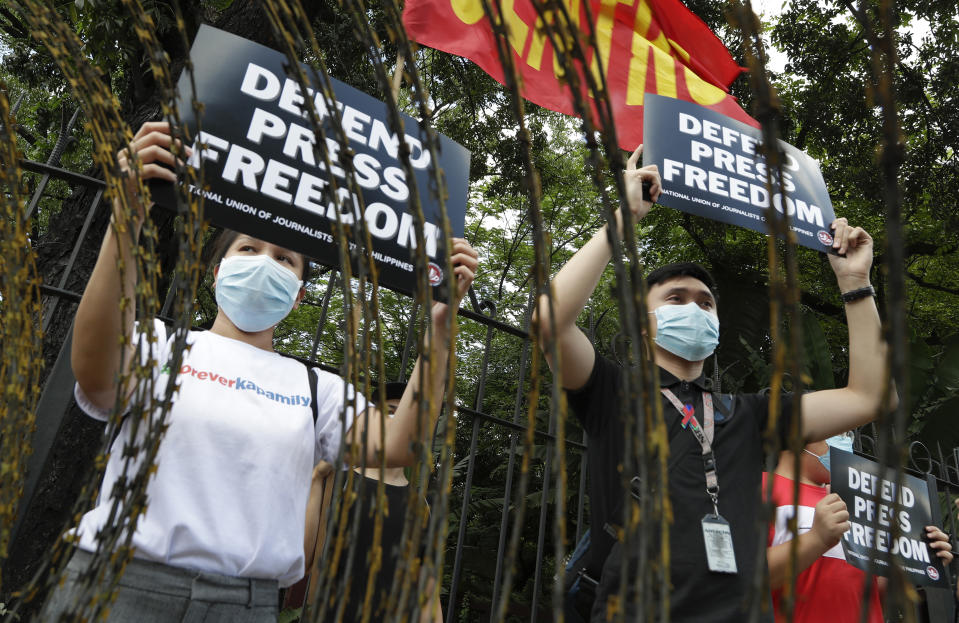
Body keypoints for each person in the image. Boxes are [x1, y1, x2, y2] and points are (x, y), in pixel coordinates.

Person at [44, 121, 478, 622]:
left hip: (244, 605)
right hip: (116, 586)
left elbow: (401, 444)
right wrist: (126, 217)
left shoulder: (319, 390)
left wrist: (441, 327)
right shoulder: (158, 344)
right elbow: (94, 369)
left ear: (297, 296)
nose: (265, 262)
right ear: (217, 271)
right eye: (248, 249)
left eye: (285, 260)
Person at [534, 144, 896, 622]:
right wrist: (621, 220)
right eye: (676, 298)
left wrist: (855, 282)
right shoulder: (613, 392)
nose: (695, 308)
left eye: (706, 303)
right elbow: (549, 322)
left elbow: (870, 395)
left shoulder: (746, 414)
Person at [766, 434, 953, 622]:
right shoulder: (758, 487)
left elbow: (871, 593)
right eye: (835, 431)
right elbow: (745, 577)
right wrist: (816, 539)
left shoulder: (857, 498)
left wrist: (918, 562)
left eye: (847, 433)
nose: (845, 440)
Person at [301, 381, 444, 622]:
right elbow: (306, 559)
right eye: (390, 412)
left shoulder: (422, 506)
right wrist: (316, 479)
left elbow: (428, 593)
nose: (399, 423)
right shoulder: (338, 478)